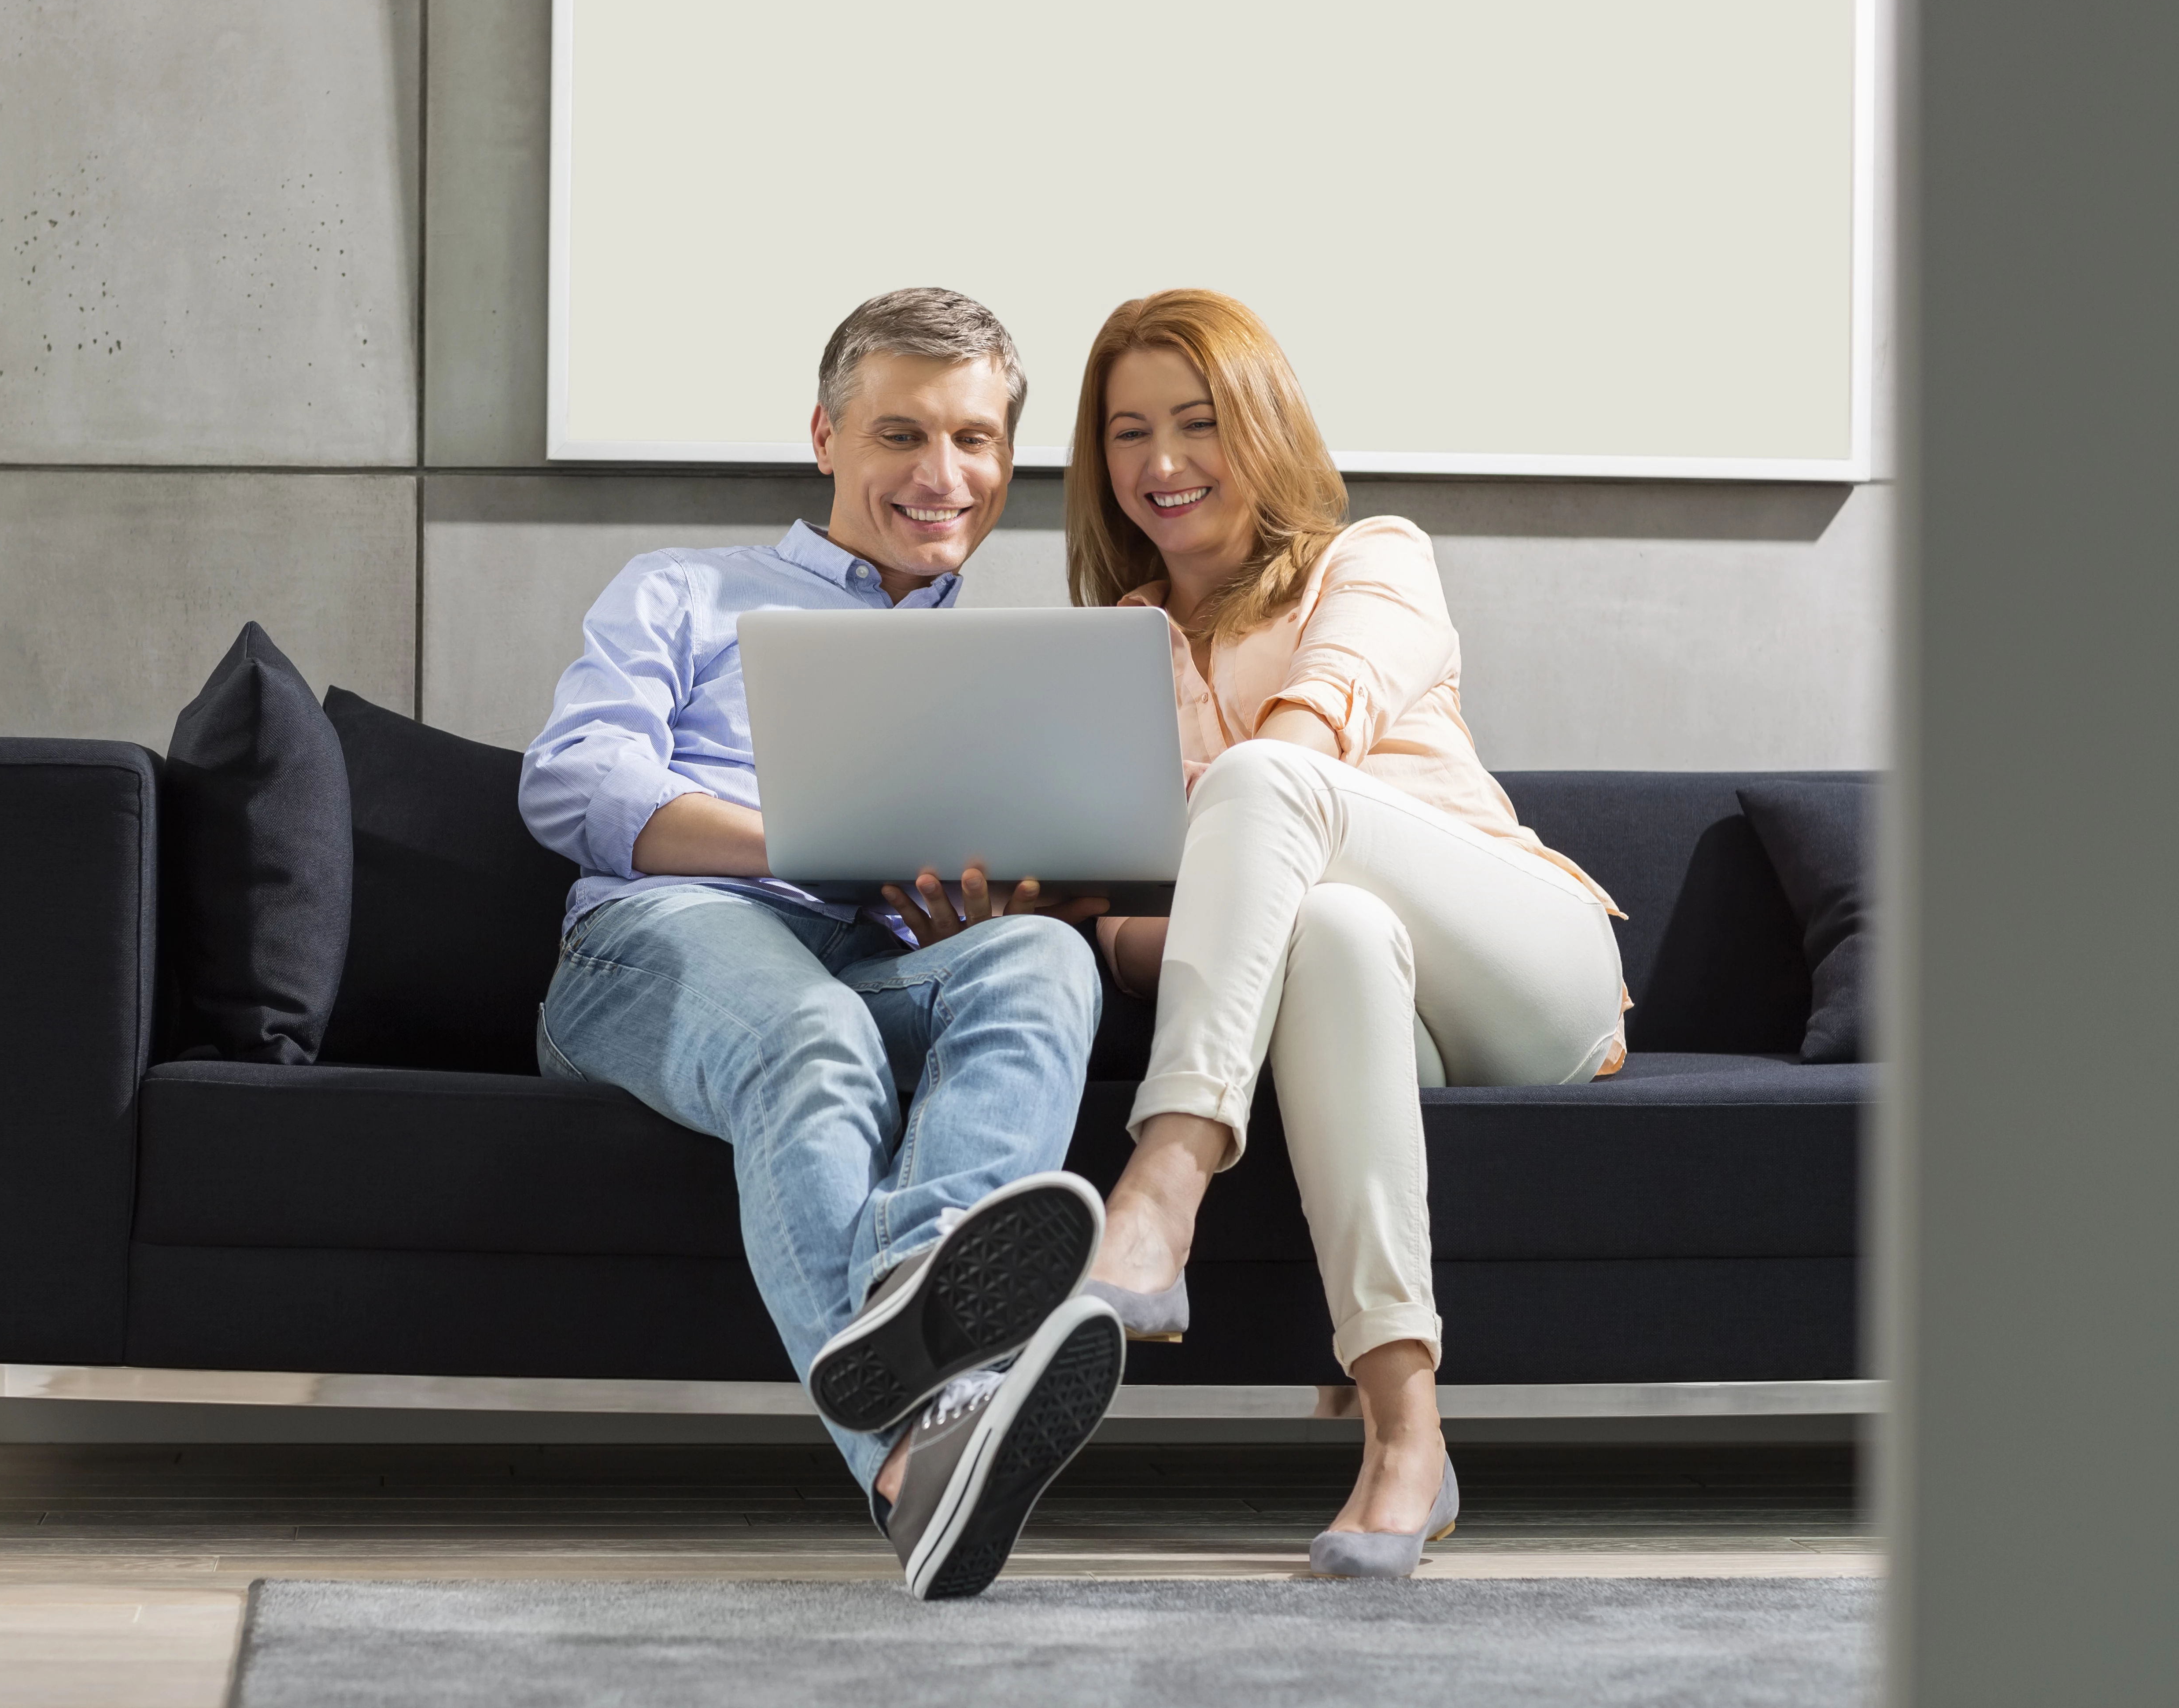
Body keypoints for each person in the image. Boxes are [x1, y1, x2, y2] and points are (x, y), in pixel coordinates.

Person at [520, 288, 1126, 1600]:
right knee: (815, 1028)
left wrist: (983, 903)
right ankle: (918, 1445)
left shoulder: (1014, 675)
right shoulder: (683, 590)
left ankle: (921, 1290)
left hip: (867, 963)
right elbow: (571, 785)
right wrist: (795, 839)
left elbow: (998, 915)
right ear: (826, 436)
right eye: (901, 433)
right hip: (664, 940)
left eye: (974, 440)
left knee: (1043, 963)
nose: (941, 474)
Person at [1063, 289, 1628, 1578]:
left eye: (1198, 423)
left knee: (1270, 788)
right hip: (1366, 995)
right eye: (1127, 432)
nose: (1161, 464)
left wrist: (1135, 905)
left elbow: (1304, 747)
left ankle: (1161, 1190)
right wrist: (1076, 922)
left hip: (1526, 965)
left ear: (1261, 424)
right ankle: (1405, 1433)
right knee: (1323, 929)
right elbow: (1163, 928)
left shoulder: (1371, 557)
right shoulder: (1108, 657)